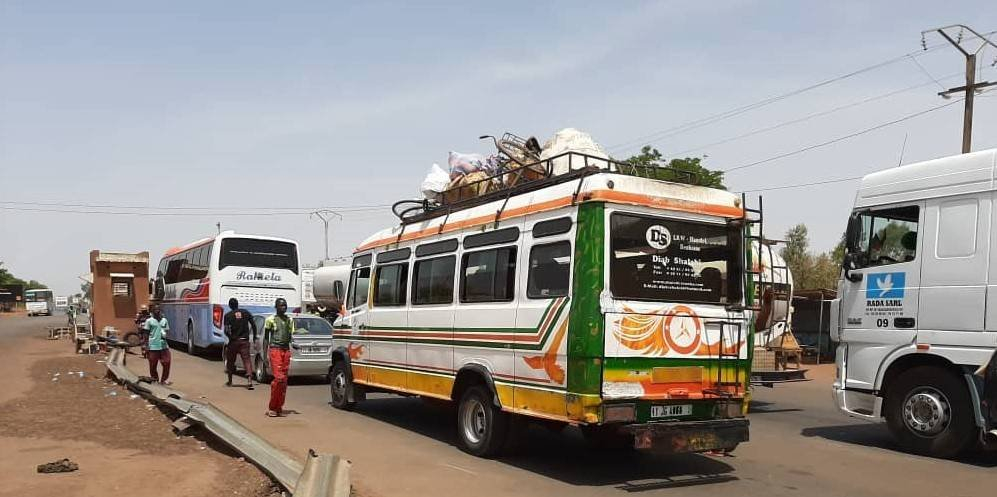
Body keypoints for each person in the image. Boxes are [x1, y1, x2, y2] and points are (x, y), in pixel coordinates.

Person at [264, 298, 295, 417]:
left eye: (285, 305)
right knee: (279, 379)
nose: (284, 307)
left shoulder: (290, 320)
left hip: (286, 351)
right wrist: (264, 354)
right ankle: (272, 407)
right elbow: (266, 338)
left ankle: (279, 407)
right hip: (275, 350)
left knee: (284, 381)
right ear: (276, 307)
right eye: (281, 305)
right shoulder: (270, 320)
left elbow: (291, 336)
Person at [223, 297, 256, 390]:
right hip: (245, 341)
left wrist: (231, 338)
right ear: (238, 304)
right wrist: (254, 336)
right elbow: (253, 325)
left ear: (230, 306)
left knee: (230, 361)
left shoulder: (228, 315)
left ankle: (230, 381)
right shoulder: (246, 312)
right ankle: (249, 381)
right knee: (247, 360)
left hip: (234, 342)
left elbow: (226, 330)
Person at [145, 305, 172, 385]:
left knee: (167, 362)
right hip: (153, 346)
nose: (157, 311)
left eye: (158, 309)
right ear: (152, 311)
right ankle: (155, 379)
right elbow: (146, 334)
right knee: (153, 365)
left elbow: (167, 331)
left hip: (163, 346)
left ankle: (164, 380)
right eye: (155, 309)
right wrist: (146, 346)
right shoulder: (149, 321)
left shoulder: (164, 320)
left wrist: (165, 335)